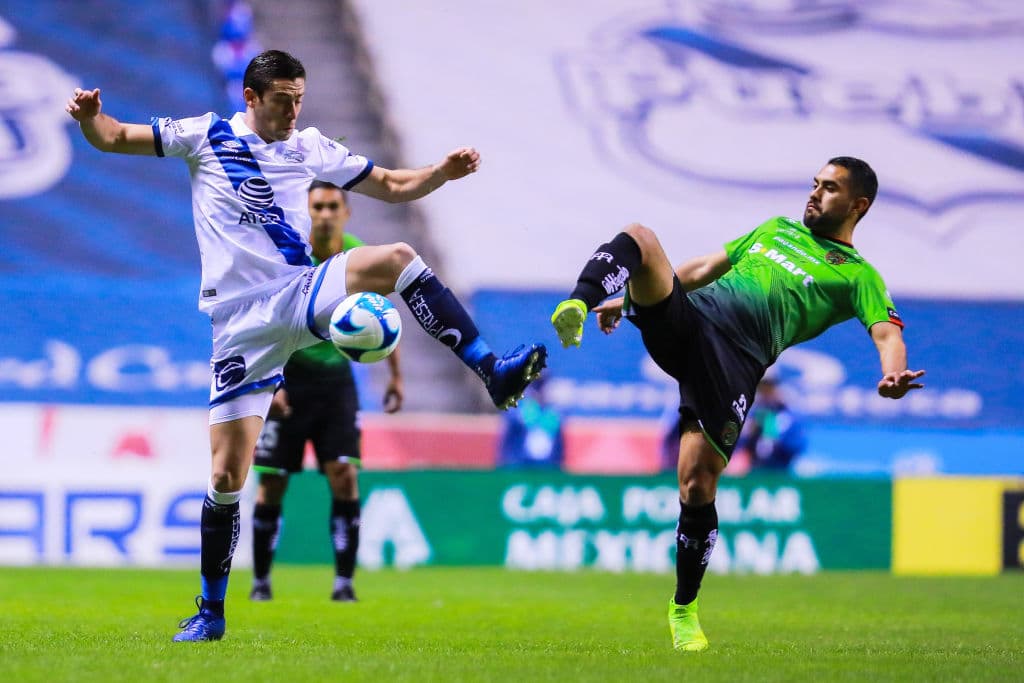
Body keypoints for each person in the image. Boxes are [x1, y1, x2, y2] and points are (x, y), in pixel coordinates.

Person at [66, 49, 546, 642]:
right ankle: (211, 612)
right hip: (239, 326)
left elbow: (395, 186)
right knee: (225, 477)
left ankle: (490, 368)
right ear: (251, 97)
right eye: (282, 100)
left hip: (299, 291)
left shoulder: (310, 146)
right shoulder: (203, 135)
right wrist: (91, 116)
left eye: (299, 98)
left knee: (396, 257)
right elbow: (112, 137)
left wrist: (441, 173)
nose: (294, 111)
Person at [550, 157, 925, 652]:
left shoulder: (858, 276)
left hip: (735, 363)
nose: (814, 194)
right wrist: (630, 300)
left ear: (858, 205)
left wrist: (892, 372)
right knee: (640, 236)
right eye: (814, 184)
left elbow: (885, 333)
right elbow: (705, 268)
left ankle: (683, 608)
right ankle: (577, 300)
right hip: (691, 320)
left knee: (696, 482)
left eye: (829, 188)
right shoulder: (777, 229)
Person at [250, 180, 402, 604]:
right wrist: (271, 382)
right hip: (290, 379)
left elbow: (381, 317)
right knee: (273, 483)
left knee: (344, 475)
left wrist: (395, 377)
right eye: (317, 206)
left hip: (337, 383)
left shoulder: (358, 258)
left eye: (333, 206)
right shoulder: (288, 254)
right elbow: (267, 323)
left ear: (346, 212)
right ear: (307, 210)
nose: (325, 214)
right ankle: (261, 581)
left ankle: (344, 582)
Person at [732, 375, 806, 474]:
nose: (766, 393)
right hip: (753, 471)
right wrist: (749, 433)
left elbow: (796, 446)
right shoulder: (752, 414)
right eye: (762, 390)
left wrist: (772, 432)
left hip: (781, 471)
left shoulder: (788, 416)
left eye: (770, 389)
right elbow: (739, 445)